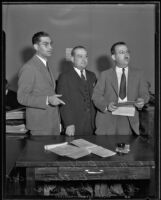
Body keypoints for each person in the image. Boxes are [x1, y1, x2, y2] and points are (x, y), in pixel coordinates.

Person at [92, 42, 149, 135]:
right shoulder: (105, 75)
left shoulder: (139, 74)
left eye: (127, 52)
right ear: (114, 57)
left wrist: (142, 100)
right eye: (122, 52)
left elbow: (144, 94)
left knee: (127, 148)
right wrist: (106, 106)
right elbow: (96, 96)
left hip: (129, 121)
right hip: (108, 120)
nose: (126, 55)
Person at [17, 31, 65, 135]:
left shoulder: (45, 65)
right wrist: (47, 100)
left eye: (51, 43)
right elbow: (21, 97)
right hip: (40, 126)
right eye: (45, 44)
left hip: (52, 123)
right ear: (36, 46)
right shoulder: (29, 67)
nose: (50, 47)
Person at [57, 46, 97, 136]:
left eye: (86, 56)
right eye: (80, 56)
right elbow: (63, 102)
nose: (84, 59)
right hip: (74, 124)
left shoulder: (92, 75)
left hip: (91, 124)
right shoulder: (64, 77)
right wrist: (68, 123)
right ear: (72, 59)